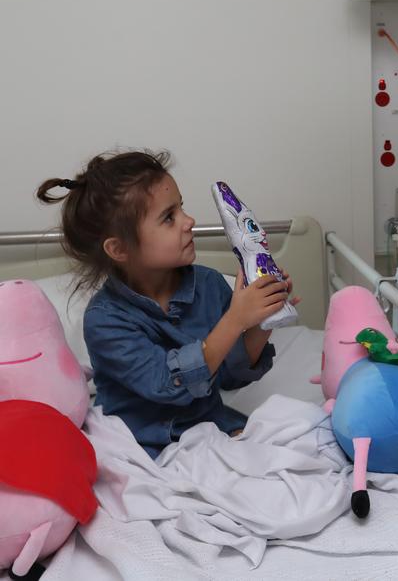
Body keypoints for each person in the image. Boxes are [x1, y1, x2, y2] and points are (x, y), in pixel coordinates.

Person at [37, 149, 298, 459]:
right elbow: (167, 384)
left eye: (182, 208)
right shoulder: (104, 319)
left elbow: (229, 377)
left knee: (297, 432)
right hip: (138, 443)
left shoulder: (210, 285)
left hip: (210, 426)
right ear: (119, 249)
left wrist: (261, 321)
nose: (189, 221)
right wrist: (235, 320)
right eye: (169, 217)